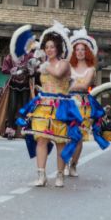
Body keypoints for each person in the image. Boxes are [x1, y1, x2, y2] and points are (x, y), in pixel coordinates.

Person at [16, 24, 81, 188]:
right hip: (43, 105)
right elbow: (33, 77)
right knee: (41, 140)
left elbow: (58, 74)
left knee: (60, 141)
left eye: (52, 47)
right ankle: (41, 175)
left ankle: (60, 175)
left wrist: (44, 67)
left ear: (58, 48)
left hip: (61, 106)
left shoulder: (64, 63)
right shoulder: (42, 63)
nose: (49, 50)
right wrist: (28, 69)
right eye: (47, 47)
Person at [66, 29, 109, 177]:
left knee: (78, 137)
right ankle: (65, 162)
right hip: (68, 104)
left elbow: (85, 85)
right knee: (66, 135)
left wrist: (70, 86)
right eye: (77, 49)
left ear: (87, 52)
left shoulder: (91, 69)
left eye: (82, 49)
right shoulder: (68, 66)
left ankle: (73, 165)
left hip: (83, 105)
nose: (79, 52)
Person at [0, 26, 39, 138]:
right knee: (12, 106)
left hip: (26, 85)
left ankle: (25, 128)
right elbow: (4, 69)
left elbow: (36, 70)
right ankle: (11, 128)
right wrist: (12, 70)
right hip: (13, 85)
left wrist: (31, 71)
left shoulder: (30, 56)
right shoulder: (10, 57)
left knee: (25, 106)